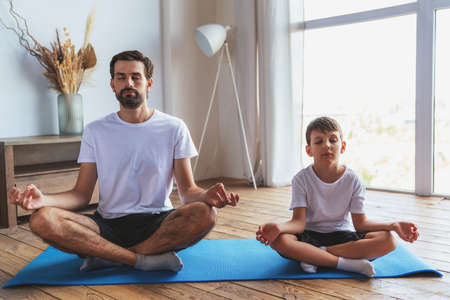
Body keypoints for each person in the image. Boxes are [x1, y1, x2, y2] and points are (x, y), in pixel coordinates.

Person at [9, 50, 239, 273]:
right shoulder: (95, 131)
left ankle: (109, 257)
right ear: (113, 84)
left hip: (159, 222)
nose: (128, 82)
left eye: (135, 77)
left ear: (149, 83)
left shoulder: (174, 127)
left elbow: (188, 191)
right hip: (106, 223)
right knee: (41, 220)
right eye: (121, 77)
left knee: (206, 213)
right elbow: (81, 195)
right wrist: (43, 200)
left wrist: (205, 196)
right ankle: (141, 259)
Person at [256, 116, 419, 277]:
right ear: (309, 150)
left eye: (333, 140)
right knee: (279, 240)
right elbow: (298, 223)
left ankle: (315, 256)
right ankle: (347, 264)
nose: (326, 145)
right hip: (309, 235)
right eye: (318, 142)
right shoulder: (301, 179)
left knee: (388, 240)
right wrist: (278, 228)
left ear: (342, 146)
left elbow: (360, 224)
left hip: (342, 237)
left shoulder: (353, 180)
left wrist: (393, 225)